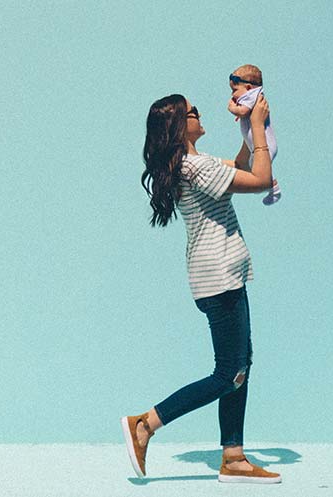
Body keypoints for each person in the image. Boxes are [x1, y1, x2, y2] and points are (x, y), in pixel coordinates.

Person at [121, 93, 281, 484]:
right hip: (220, 275)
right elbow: (259, 179)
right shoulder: (194, 168)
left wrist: (248, 126)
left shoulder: (197, 165)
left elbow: (242, 166)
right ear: (179, 126)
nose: (199, 114)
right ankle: (146, 423)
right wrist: (259, 128)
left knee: (240, 365)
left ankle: (234, 456)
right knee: (229, 372)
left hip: (219, 273)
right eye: (193, 112)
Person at [226, 64, 282, 205]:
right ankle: (272, 186)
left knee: (256, 169)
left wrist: (233, 108)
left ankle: (273, 187)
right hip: (256, 146)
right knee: (252, 166)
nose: (232, 95)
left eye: (234, 90)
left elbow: (244, 111)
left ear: (249, 87)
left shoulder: (253, 96)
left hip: (266, 145)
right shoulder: (250, 96)